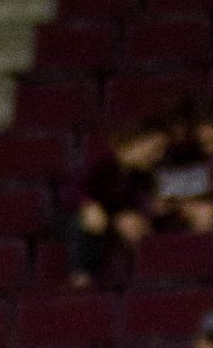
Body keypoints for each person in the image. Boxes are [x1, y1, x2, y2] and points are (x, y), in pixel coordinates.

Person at [64, 118, 166, 284]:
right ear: (134, 142)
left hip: (115, 218)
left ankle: (142, 280)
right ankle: (81, 277)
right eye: (155, 149)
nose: (158, 156)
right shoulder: (102, 160)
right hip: (82, 217)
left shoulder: (142, 173)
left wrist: (147, 209)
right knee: (87, 221)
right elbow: (70, 190)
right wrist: (88, 204)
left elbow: (138, 201)